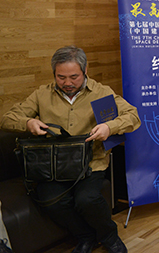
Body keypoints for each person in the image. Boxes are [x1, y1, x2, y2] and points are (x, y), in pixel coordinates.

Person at [0, 46, 141, 253]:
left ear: (85, 71)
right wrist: (28, 122)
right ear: (54, 73)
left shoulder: (101, 93)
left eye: (74, 77)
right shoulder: (42, 94)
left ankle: (109, 236)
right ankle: (85, 236)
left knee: (87, 199)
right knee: (50, 201)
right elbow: (7, 118)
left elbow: (133, 115)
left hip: (90, 162)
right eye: (61, 77)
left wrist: (109, 127)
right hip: (54, 165)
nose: (67, 83)